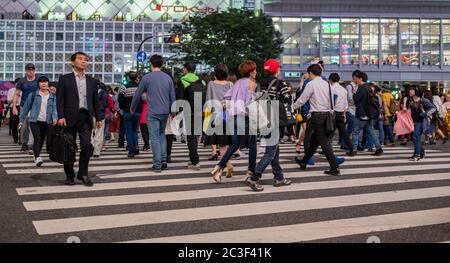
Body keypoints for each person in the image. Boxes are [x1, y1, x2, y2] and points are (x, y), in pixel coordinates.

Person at [245, 59, 292, 191]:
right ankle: (254, 177)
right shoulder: (280, 83)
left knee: (274, 148)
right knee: (271, 150)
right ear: (276, 70)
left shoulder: (259, 83)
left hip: (262, 118)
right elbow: (287, 99)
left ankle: (279, 177)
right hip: (275, 119)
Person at [57, 51, 102, 187]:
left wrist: (99, 117)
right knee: (69, 148)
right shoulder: (65, 79)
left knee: (87, 146)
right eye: (80, 59)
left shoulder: (92, 81)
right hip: (69, 118)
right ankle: (69, 175)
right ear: (73, 62)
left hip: (85, 118)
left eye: (85, 59)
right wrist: (61, 116)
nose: (84, 61)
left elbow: (95, 101)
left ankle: (83, 173)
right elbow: (60, 100)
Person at [211, 60, 258, 183]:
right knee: (252, 144)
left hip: (234, 117)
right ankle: (251, 171)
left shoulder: (237, 83)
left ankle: (219, 167)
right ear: (251, 72)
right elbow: (250, 103)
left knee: (235, 144)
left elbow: (225, 99)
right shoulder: (251, 84)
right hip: (246, 117)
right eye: (254, 70)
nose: (256, 72)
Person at [293, 64, 340, 176]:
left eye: (308, 74)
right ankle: (304, 162)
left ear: (310, 73)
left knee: (323, 142)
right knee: (314, 141)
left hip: (317, 116)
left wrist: (292, 107)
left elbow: (302, 99)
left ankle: (334, 167)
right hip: (328, 115)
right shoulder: (327, 84)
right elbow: (333, 100)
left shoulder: (311, 84)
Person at [131, 55, 175, 173]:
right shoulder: (168, 78)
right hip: (165, 111)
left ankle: (157, 164)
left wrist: (133, 107)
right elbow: (172, 96)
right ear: (161, 64)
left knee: (154, 137)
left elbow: (138, 93)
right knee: (162, 135)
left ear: (151, 64)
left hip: (152, 112)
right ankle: (164, 160)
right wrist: (173, 111)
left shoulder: (147, 78)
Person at [19, 76, 57, 166]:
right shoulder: (33, 95)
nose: (43, 83)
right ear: (38, 84)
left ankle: (36, 154)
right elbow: (25, 108)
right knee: (37, 138)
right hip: (34, 120)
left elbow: (55, 108)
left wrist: (55, 117)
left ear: (48, 83)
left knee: (41, 140)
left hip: (47, 121)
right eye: (41, 82)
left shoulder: (52, 96)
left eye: (45, 81)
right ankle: (37, 157)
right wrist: (21, 120)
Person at [204, 64, 233, 175]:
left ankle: (228, 164)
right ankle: (228, 163)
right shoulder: (230, 84)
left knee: (221, 144)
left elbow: (208, 101)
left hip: (216, 115)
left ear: (215, 73)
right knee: (227, 142)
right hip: (228, 115)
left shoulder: (211, 84)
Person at [347, 71, 384, 157]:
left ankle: (354, 149)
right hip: (369, 114)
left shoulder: (361, 88)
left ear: (360, 78)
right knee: (371, 131)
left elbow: (356, 99)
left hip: (361, 113)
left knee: (355, 131)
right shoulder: (369, 87)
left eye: (355, 78)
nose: (354, 80)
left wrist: (354, 94)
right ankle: (378, 148)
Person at [403, 86, 436, 161]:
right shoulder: (409, 100)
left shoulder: (423, 100)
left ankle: (417, 155)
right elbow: (408, 109)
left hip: (420, 121)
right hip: (411, 122)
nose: (410, 91)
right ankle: (421, 152)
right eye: (410, 90)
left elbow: (433, 108)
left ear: (417, 91)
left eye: (412, 90)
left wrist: (425, 114)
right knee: (413, 138)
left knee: (415, 137)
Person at [13, 63, 39, 152]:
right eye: (29, 70)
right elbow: (16, 94)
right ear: (26, 71)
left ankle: (31, 144)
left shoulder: (39, 79)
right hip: (24, 106)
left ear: (34, 70)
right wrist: (14, 107)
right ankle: (24, 143)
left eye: (32, 70)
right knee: (23, 125)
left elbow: (45, 88)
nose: (30, 71)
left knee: (33, 126)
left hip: (36, 106)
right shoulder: (22, 81)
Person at [119, 72, 142, 158]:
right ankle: (136, 147)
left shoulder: (124, 87)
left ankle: (131, 150)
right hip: (137, 111)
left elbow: (120, 99)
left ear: (128, 77)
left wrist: (123, 107)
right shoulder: (139, 87)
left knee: (128, 131)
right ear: (136, 77)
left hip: (127, 111)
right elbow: (142, 98)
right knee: (135, 130)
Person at [329, 73, 352, 154]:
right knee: (344, 133)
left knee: (329, 132)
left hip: (333, 113)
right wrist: (344, 113)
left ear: (331, 80)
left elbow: (330, 102)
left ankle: (327, 149)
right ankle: (351, 149)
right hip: (341, 113)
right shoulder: (343, 89)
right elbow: (346, 104)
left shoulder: (331, 89)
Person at [92, 82, 114, 157]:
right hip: (101, 115)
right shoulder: (106, 94)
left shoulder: (90, 91)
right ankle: (97, 151)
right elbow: (106, 105)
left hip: (91, 115)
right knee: (99, 133)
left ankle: (91, 148)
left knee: (90, 133)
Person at [7, 78, 21, 144]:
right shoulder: (11, 90)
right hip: (13, 107)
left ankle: (21, 139)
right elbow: (8, 101)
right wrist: (15, 97)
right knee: (14, 124)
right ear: (15, 84)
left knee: (22, 124)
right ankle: (15, 139)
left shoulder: (23, 90)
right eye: (17, 83)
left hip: (22, 108)